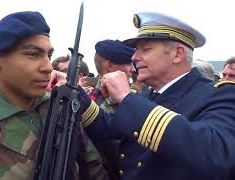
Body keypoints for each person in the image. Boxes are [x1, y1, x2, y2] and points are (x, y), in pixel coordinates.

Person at [0, 11, 108, 180]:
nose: (47, 67)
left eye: (48, 55)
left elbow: (95, 170)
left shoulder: (61, 111)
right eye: (32, 54)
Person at [79, 12, 235, 179]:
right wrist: (76, 94)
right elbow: (109, 127)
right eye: (136, 51)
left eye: (145, 49)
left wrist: (126, 97)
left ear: (178, 54)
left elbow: (214, 155)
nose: (134, 57)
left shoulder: (221, 94)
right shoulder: (149, 96)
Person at [87, 39, 135, 179]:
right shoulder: (89, 105)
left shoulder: (135, 100)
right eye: (128, 63)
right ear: (110, 65)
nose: (132, 69)